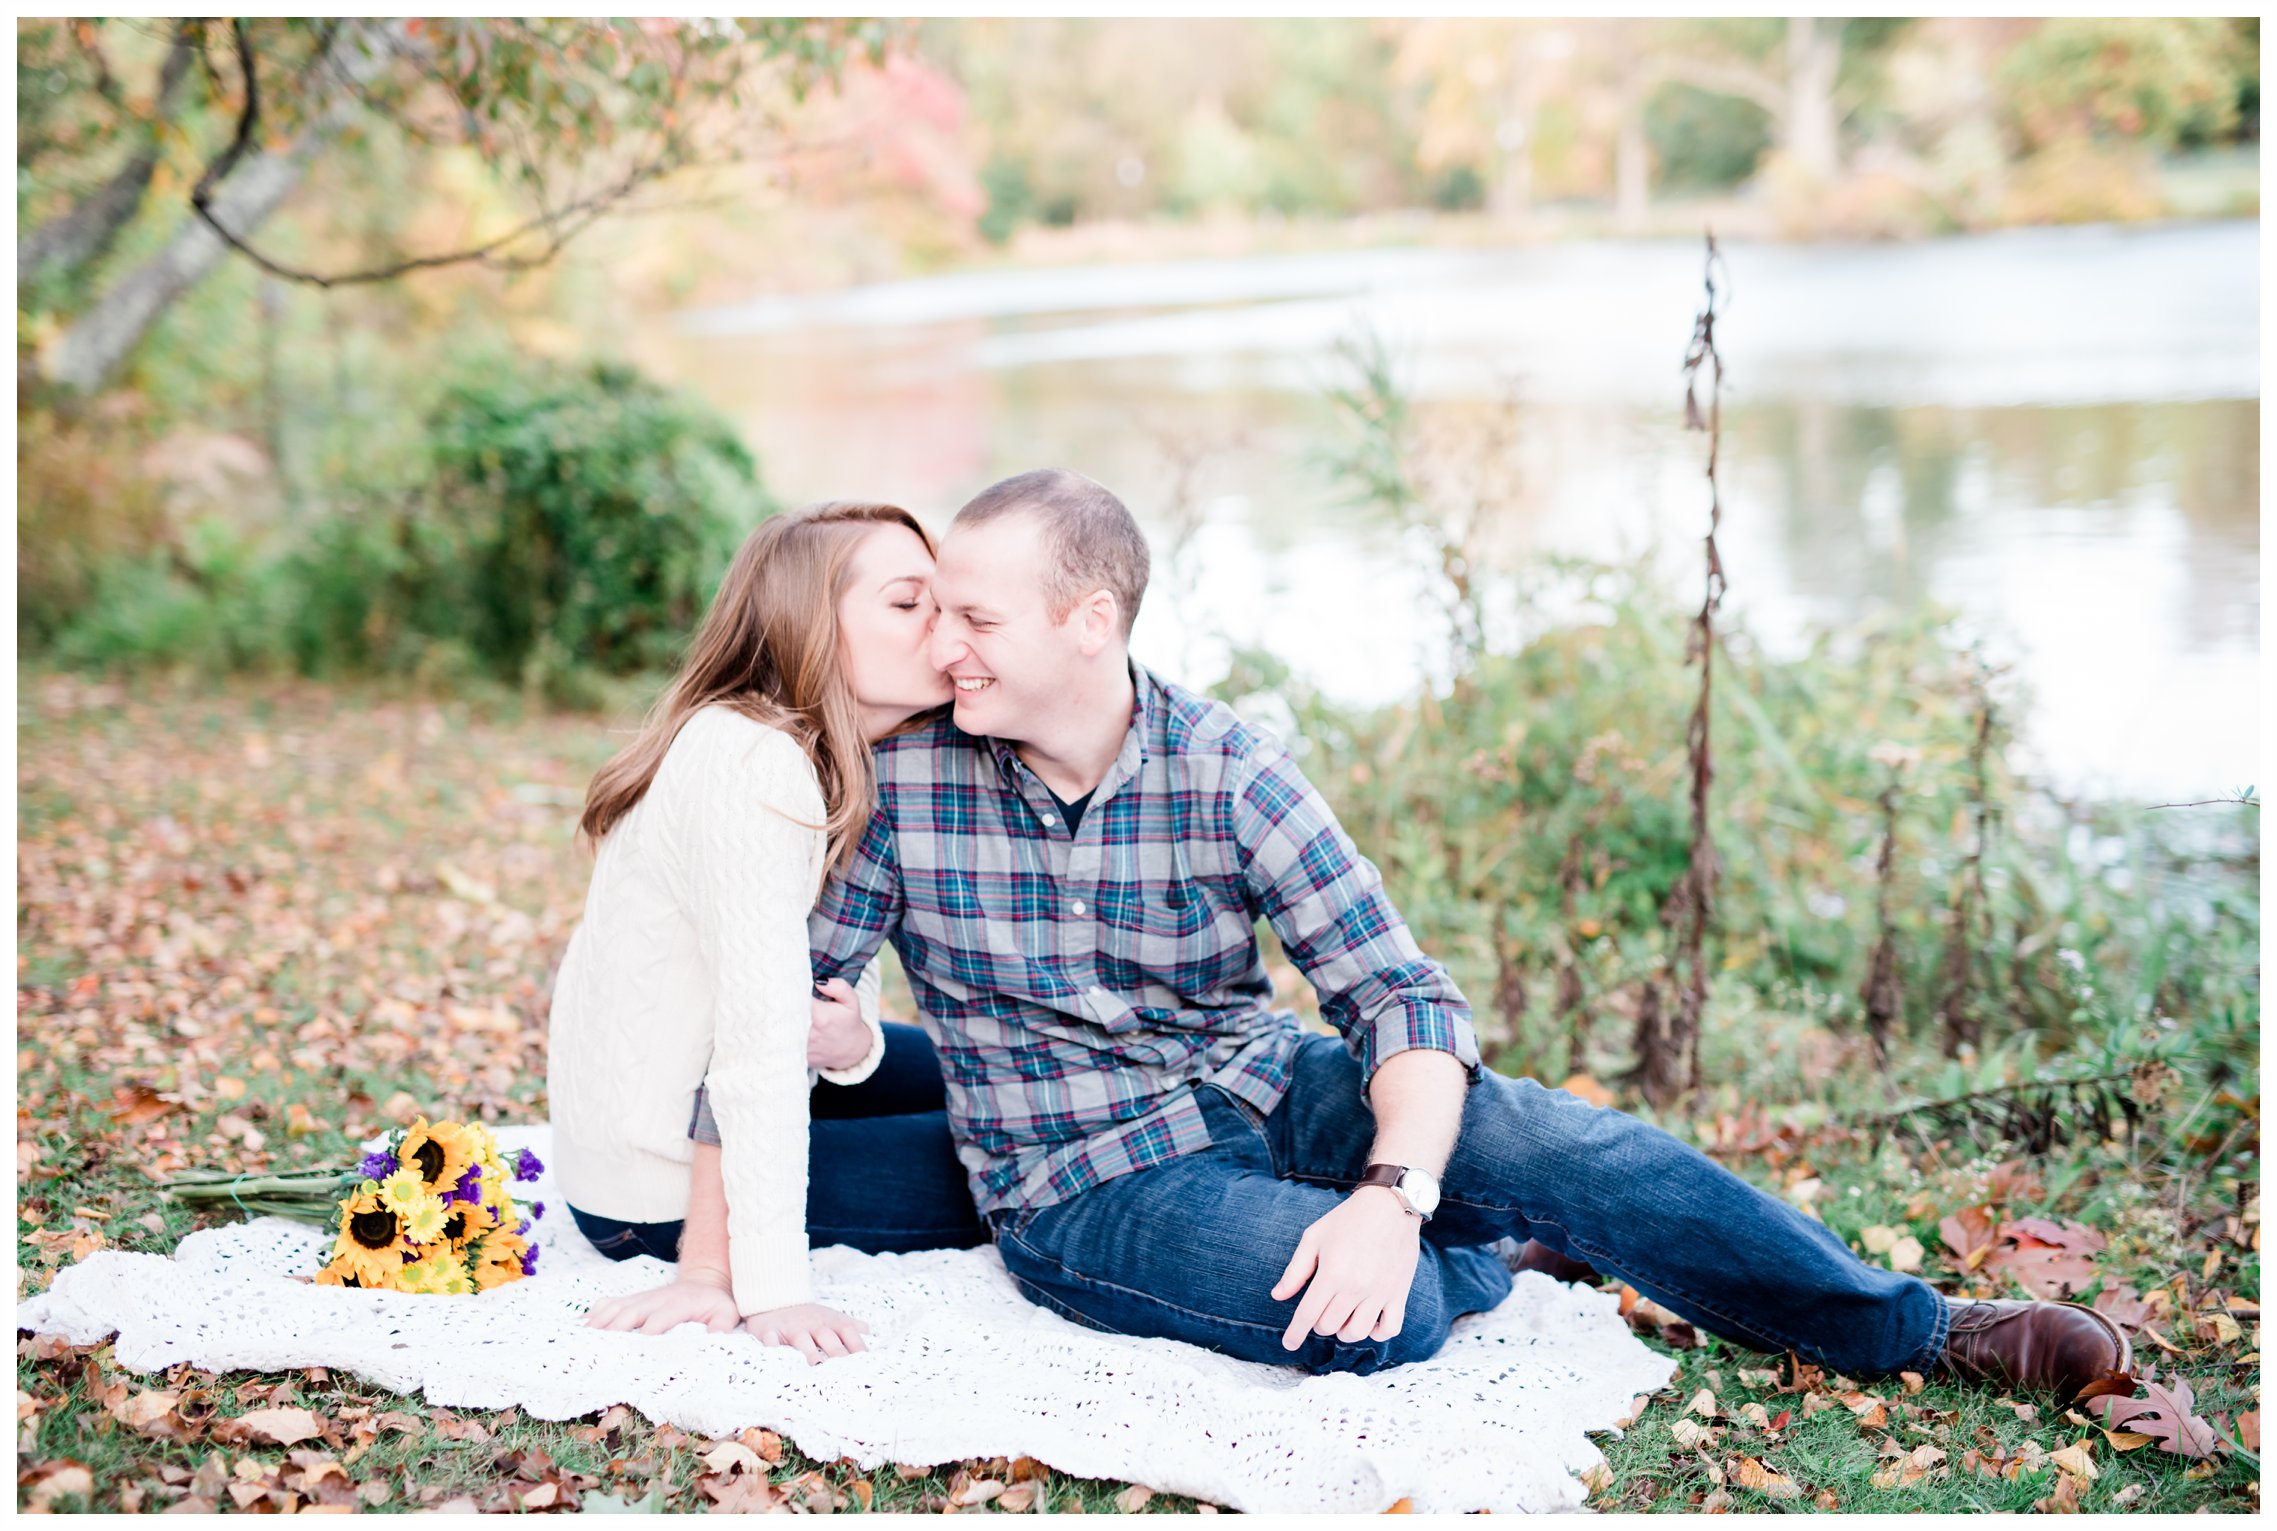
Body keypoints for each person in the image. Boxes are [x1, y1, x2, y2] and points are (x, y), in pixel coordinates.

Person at [795, 467, 2134, 1398]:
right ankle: (1483, 1257)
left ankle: (1918, 1332)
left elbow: (1401, 998)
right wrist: (825, 1027)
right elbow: (800, 981)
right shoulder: (908, 781)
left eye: (976, 617)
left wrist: (1390, 1190)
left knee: (1570, 1143)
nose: (947, 649)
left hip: (1254, 1081)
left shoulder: (1228, 769)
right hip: (1084, 1179)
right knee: (1392, 1311)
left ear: (1090, 624)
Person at [548, 501, 984, 1366]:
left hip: (700, 1111)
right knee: (1032, 1148)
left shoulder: (814, 749)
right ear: (809, 625)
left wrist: (855, 1041)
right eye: (908, 604)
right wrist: (768, 1284)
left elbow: (818, 980)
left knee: (1015, 1069)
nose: (944, 627)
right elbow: (754, 1047)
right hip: (656, 1192)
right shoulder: (754, 764)